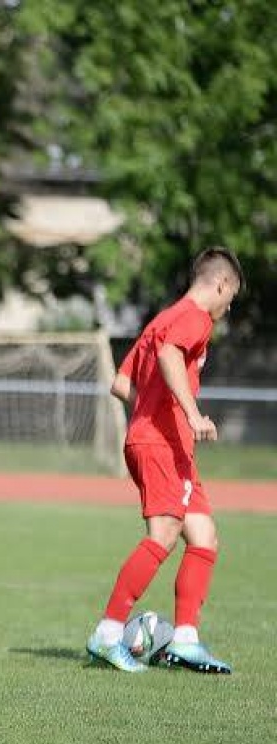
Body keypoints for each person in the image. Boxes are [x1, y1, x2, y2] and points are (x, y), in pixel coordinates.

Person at [85, 246, 243, 674]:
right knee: (165, 533)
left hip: (160, 442)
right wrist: (189, 415)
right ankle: (108, 632)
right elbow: (171, 355)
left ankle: (186, 640)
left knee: (203, 534)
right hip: (161, 445)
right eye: (231, 299)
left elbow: (121, 383)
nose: (228, 308)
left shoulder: (161, 319)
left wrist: (151, 412)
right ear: (221, 284)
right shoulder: (194, 317)